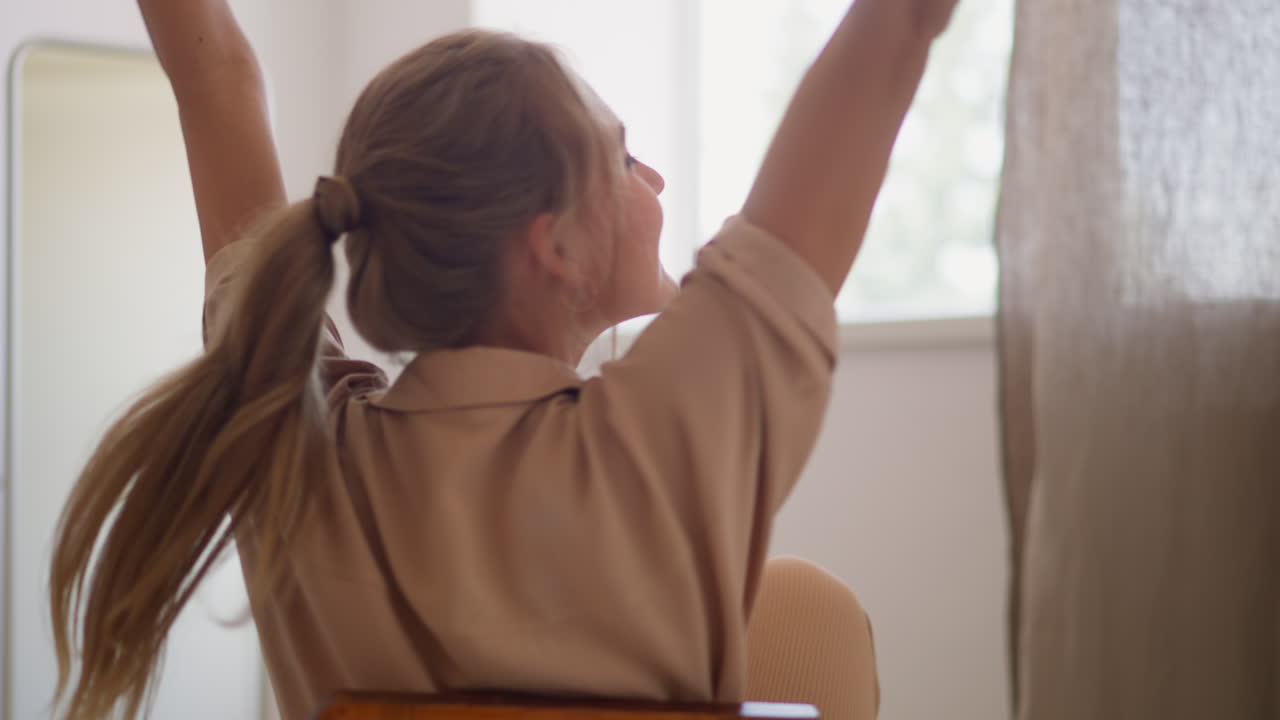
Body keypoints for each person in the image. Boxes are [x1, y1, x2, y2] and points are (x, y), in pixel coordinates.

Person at [48, 1, 955, 718]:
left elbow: (214, 78)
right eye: (624, 157)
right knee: (810, 608)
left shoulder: (283, 436)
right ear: (552, 246)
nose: (655, 183)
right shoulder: (666, 440)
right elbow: (901, 24)